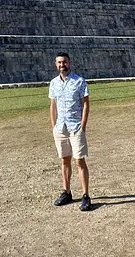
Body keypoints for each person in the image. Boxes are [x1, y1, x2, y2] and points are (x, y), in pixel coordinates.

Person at [49, 52, 91, 211]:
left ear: (69, 63)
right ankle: (66, 192)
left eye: (64, 62)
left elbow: (86, 104)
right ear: (56, 64)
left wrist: (83, 125)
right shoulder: (53, 83)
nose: (62, 65)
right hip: (60, 128)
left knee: (80, 161)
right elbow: (53, 105)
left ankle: (86, 195)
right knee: (64, 160)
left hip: (75, 127)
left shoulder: (79, 81)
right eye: (59, 62)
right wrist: (54, 126)